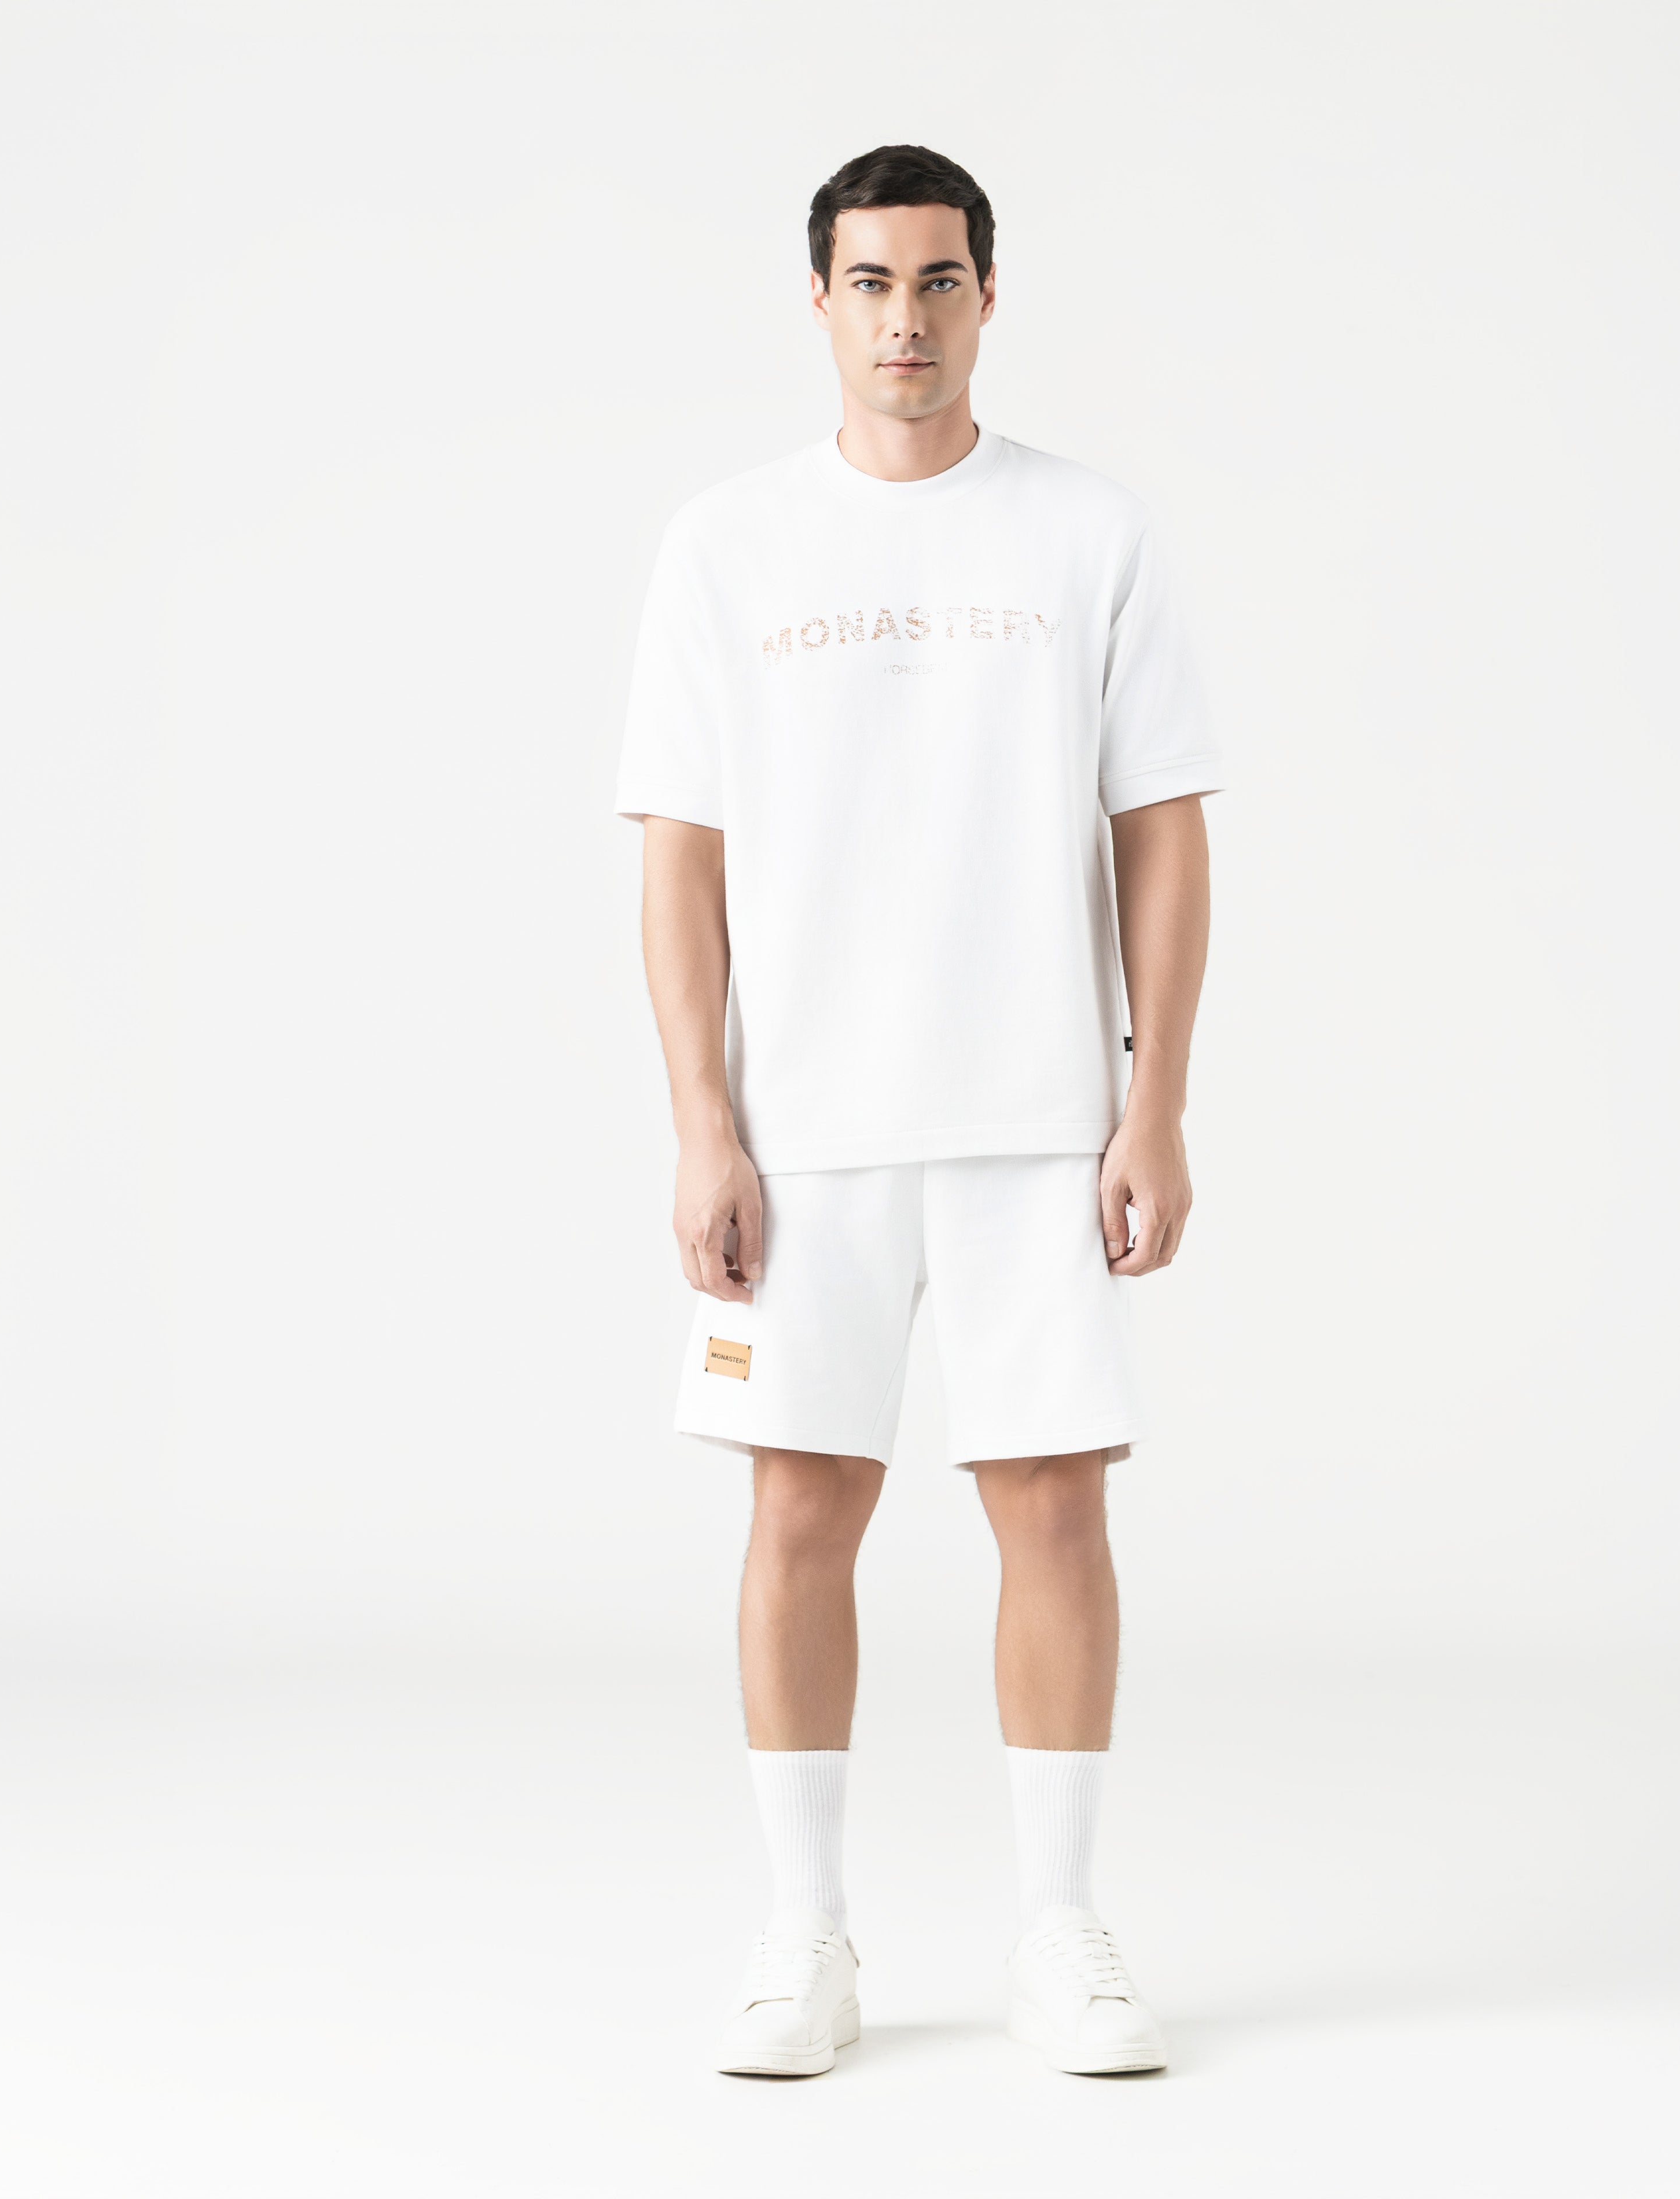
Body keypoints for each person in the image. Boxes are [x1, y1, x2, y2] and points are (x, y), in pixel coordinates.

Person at [615, 143, 1220, 2078]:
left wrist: (1155, 1104)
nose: (905, 319)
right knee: (801, 1506)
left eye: (938, 281)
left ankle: (1062, 1933)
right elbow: (682, 856)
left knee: (1054, 1504)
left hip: (1038, 1115)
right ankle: (805, 1935)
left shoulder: (1086, 533)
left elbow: (1163, 829)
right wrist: (704, 1125)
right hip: (807, 1131)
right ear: (820, 302)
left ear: (987, 298)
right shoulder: (729, 545)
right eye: (870, 283)